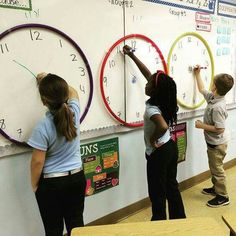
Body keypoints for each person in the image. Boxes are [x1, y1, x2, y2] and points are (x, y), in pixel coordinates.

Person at [123, 45, 186, 220]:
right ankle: (179, 221)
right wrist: (132, 56)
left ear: (155, 90)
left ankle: (158, 224)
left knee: (157, 193)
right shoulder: (165, 101)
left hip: (159, 153)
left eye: (150, 83)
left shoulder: (152, 109)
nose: (147, 82)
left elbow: (163, 126)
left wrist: (152, 138)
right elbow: (148, 74)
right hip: (170, 148)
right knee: (171, 187)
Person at [27, 73, 86, 236]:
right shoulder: (74, 112)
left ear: (44, 101)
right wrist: (50, 79)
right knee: (77, 226)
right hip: (77, 178)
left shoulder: (42, 126)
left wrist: (34, 185)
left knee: (53, 229)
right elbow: (73, 92)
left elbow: (37, 161)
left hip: (52, 184)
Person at [193, 66, 234, 207]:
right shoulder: (213, 97)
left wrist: (201, 126)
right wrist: (198, 74)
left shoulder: (218, 107)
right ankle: (216, 188)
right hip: (213, 142)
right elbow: (202, 89)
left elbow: (220, 129)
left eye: (212, 81)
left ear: (215, 87)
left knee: (217, 169)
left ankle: (223, 196)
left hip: (217, 144)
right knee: (213, 166)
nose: (210, 83)